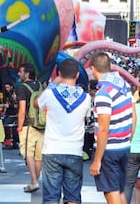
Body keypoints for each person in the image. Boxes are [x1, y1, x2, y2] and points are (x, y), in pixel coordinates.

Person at [37, 58, 91, 204]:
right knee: (72, 197)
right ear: (77, 75)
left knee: (51, 197)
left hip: (52, 149)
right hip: (74, 150)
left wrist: (53, 83)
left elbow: (37, 103)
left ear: (59, 73)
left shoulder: (50, 93)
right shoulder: (86, 98)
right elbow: (86, 117)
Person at [89, 52, 133, 204]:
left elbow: (103, 129)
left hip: (109, 149)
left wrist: (97, 160)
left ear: (93, 69)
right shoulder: (124, 85)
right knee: (120, 191)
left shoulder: (103, 93)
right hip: (124, 145)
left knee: (111, 192)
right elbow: (133, 115)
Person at [16, 63, 44, 193]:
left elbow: (22, 109)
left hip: (29, 125)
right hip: (42, 125)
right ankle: (35, 181)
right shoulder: (40, 85)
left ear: (27, 73)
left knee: (28, 153)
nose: (19, 74)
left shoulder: (22, 88)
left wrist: (20, 126)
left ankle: (34, 181)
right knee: (38, 156)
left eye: (21, 72)